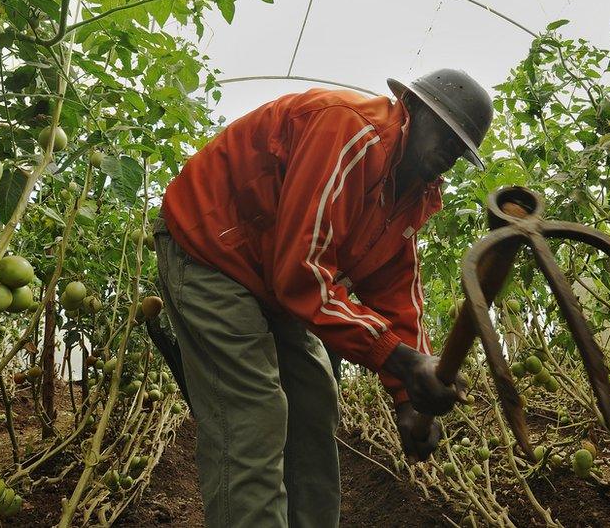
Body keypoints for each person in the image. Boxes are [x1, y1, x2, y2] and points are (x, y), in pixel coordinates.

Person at [152, 68, 493, 527]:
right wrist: (402, 362)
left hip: (268, 277)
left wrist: (408, 396)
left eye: (461, 150)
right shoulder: (350, 131)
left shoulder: (413, 191)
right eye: (447, 136)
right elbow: (301, 274)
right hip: (210, 249)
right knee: (255, 412)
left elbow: (396, 291)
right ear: (412, 109)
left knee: (314, 401)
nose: (450, 155)